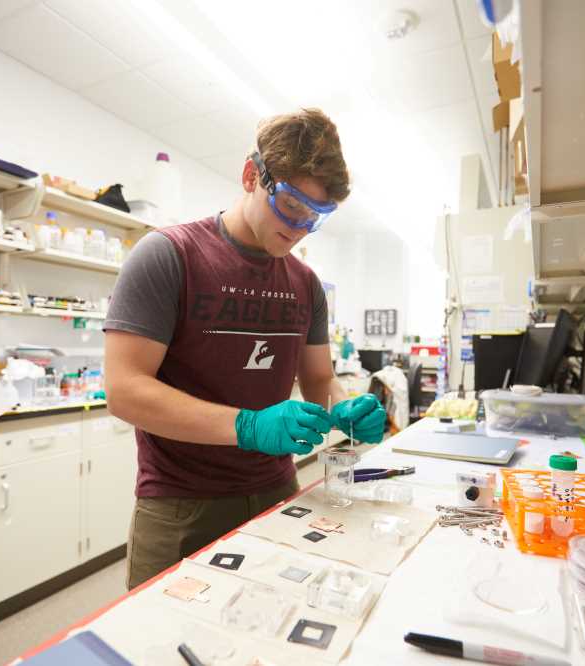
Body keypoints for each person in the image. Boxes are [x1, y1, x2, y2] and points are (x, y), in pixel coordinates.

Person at [104, 108, 387, 589]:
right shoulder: (169, 255)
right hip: (181, 504)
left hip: (279, 491)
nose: (299, 228)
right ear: (252, 175)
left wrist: (343, 408)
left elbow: (319, 379)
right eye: (292, 205)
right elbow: (125, 390)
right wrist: (247, 426)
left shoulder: (306, 283)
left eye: (315, 217)